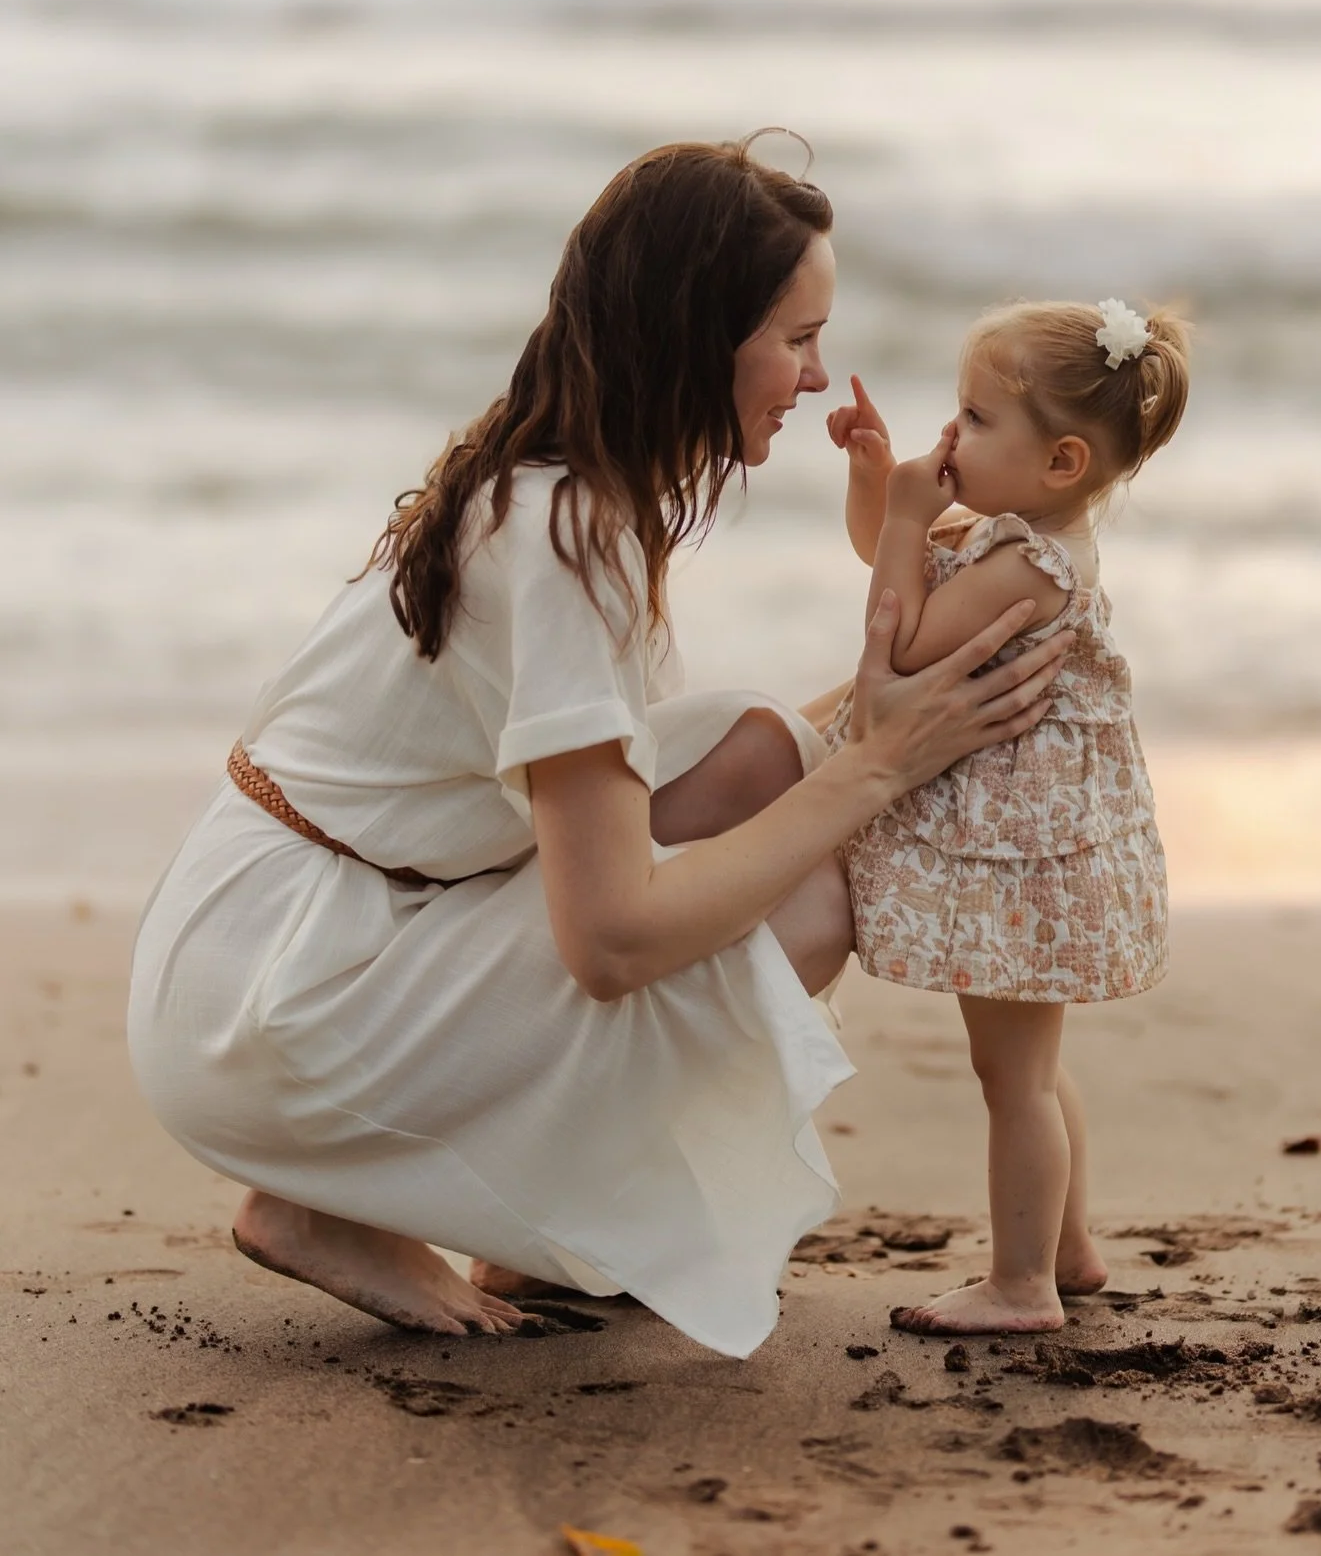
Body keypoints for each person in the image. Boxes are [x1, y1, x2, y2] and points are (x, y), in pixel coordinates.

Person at [127, 137, 1073, 1360]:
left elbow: (723, 791)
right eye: (794, 338)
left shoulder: (562, 485)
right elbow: (613, 942)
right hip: (272, 1001)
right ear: (696, 334)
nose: (815, 375)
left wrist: (909, 701)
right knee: (816, 886)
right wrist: (878, 767)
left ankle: (504, 1227)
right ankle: (326, 1198)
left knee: (763, 752)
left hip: (284, 928)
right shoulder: (570, 538)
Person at [826, 297, 1189, 1335]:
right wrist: (878, 486)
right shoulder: (1024, 538)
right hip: (1040, 842)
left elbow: (901, 640)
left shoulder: (1028, 567)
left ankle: (1022, 1283)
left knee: (1015, 1077)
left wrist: (903, 519)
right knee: (1030, 1064)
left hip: (1022, 850)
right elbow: (896, 563)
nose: (954, 435)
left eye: (977, 420)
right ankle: (1067, 1249)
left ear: (1063, 461)